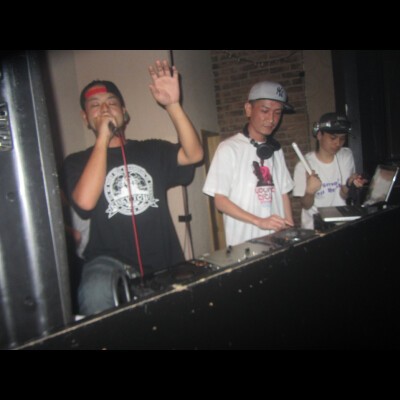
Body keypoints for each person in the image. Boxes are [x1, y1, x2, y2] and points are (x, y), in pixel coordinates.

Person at [61, 60, 203, 316]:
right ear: (85, 118)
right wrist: (103, 138)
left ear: (124, 112)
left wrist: (172, 105)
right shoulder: (76, 161)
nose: (105, 109)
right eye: (95, 105)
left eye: (111, 103)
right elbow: (84, 203)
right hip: (107, 261)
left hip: (164, 260)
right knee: (94, 291)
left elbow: (194, 154)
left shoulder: (152, 149)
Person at [202, 81, 294, 246]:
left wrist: (290, 227)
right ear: (249, 109)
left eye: (277, 113)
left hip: (278, 241)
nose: (271, 119)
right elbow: (220, 201)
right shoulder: (228, 148)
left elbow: (283, 193)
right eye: (265, 111)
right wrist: (259, 221)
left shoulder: (275, 150)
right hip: (244, 244)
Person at [293, 112, 367, 229]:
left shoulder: (346, 156)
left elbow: (343, 195)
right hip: (314, 228)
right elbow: (305, 205)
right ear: (319, 135)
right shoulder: (303, 165)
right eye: (333, 138)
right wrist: (309, 192)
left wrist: (350, 184)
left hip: (342, 224)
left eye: (342, 138)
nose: (338, 143)